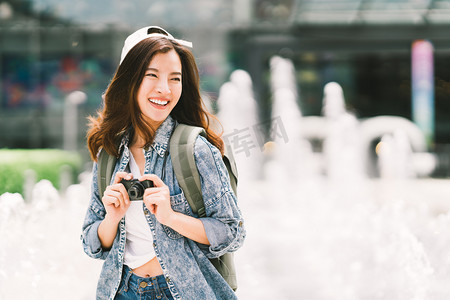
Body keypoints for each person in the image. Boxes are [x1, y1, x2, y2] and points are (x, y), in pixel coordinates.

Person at [81, 26, 246, 300]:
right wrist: (112, 217)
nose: (164, 89)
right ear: (130, 81)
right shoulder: (109, 151)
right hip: (122, 290)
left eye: (175, 78)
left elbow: (232, 232)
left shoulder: (195, 148)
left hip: (183, 292)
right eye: (152, 75)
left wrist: (170, 217)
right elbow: (91, 242)